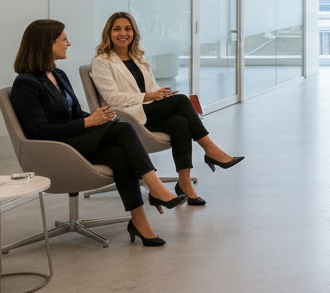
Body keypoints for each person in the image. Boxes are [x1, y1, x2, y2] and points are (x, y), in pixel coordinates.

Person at [10, 19, 186, 246]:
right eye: (64, 39)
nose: (69, 43)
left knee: (120, 155)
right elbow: (39, 131)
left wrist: (95, 117)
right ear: (47, 43)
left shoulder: (59, 74)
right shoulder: (25, 83)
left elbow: (72, 112)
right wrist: (88, 123)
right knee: (123, 128)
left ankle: (140, 223)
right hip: (56, 149)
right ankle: (156, 188)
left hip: (74, 140)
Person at [90, 12, 243, 207]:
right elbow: (112, 98)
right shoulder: (102, 62)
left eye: (127, 28)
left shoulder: (138, 58)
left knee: (180, 121)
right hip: (127, 118)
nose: (123, 33)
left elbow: (152, 87)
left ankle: (185, 183)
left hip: (147, 112)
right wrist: (149, 97)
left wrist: (160, 94)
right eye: (117, 29)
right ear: (108, 33)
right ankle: (210, 149)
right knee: (181, 102)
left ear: (134, 32)